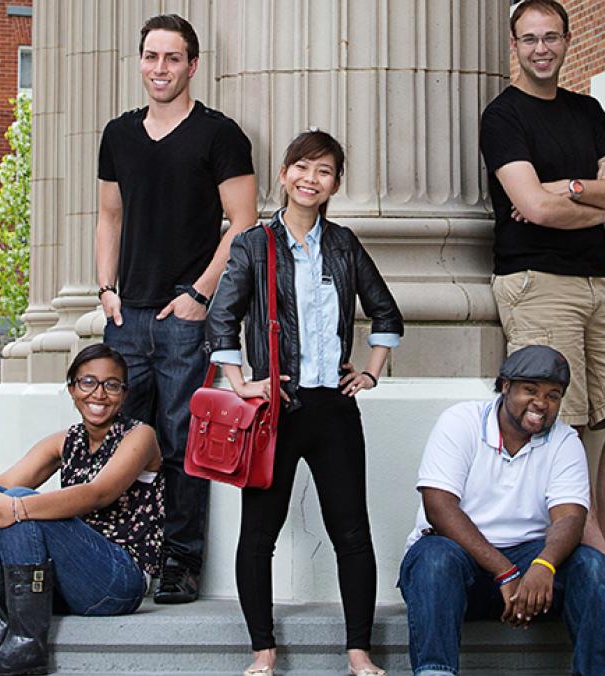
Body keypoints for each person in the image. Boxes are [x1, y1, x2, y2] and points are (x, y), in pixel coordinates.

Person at [479, 0, 605, 601]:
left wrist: (567, 188)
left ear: (567, 41)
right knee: (559, 423)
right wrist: (592, 201)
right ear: (514, 46)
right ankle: (599, 562)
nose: (541, 49)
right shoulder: (503, 117)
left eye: (551, 38)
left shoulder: (587, 110)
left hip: (598, 283)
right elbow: (532, 211)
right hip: (535, 281)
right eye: (529, 39)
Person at [206, 130, 403, 676]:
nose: (310, 179)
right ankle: (262, 651)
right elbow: (222, 316)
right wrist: (241, 381)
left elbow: (386, 315)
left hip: (334, 411)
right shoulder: (253, 244)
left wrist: (370, 372)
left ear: (336, 183)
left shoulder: (343, 244)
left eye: (324, 171)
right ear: (284, 174)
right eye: (302, 167)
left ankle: (358, 652)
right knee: (258, 536)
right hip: (276, 410)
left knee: (352, 533)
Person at [95, 13, 258, 604]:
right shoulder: (118, 134)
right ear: (140, 62)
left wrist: (199, 294)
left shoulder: (220, 134)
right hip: (125, 316)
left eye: (172, 58)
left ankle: (180, 563)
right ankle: (119, 556)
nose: (160, 69)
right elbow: (109, 216)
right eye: (151, 57)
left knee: (183, 439)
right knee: (119, 438)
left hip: (183, 319)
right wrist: (105, 290)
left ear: (192, 65)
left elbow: (243, 224)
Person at [0, 343, 164, 676]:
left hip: (119, 581)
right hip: (71, 579)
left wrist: (17, 506)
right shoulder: (65, 440)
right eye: (88, 382)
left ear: (123, 394)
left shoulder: (140, 436)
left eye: (111, 385)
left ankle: (28, 645)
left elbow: (98, 493)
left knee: (21, 503)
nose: (99, 393)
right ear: (72, 388)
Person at [399, 345, 605, 675]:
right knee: (434, 556)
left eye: (553, 395)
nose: (541, 403)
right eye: (530, 390)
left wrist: (544, 565)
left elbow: (570, 517)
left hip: (534, 577)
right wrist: (504, 571)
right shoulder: (461, 422)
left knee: (592, 565)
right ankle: (435, 672)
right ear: (505, 386)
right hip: (463, 569)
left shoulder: (564, 441)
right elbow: (439, 507)